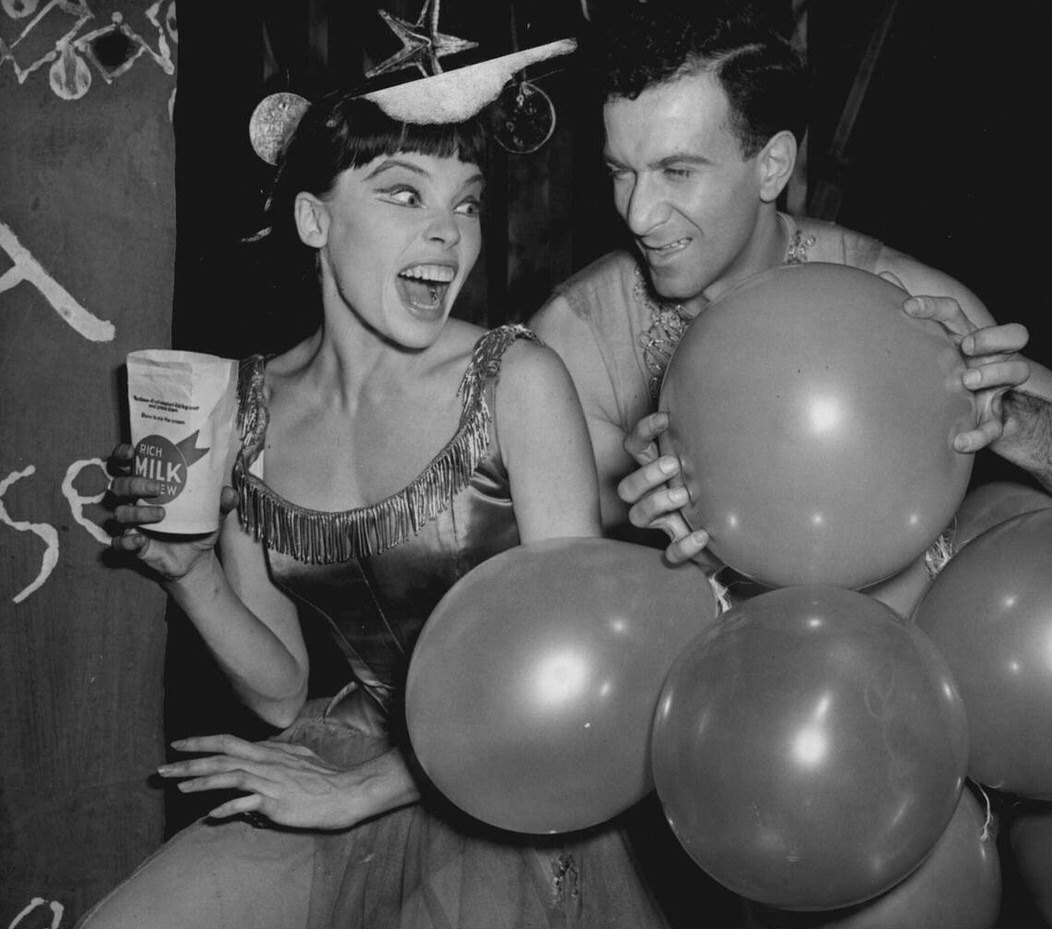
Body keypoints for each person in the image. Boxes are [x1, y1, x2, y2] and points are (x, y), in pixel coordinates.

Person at [79, 56, 671, 929]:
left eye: (465, 201)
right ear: (315, 220)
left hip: (508, 764)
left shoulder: (515, 380)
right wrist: (185, 570)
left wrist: (361, 791)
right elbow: (281, 691)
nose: (449, 234)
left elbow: (571, 672)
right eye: (404, 194)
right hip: (348, 742)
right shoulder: (243, 412)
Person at [530, 0, 1052, 573]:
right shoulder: (574, 337)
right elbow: (537, 578)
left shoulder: (898, 298)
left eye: (676, 171)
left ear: (772, 165)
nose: (638, 215)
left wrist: (1011, 419)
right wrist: (635, 533)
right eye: (621, 171)